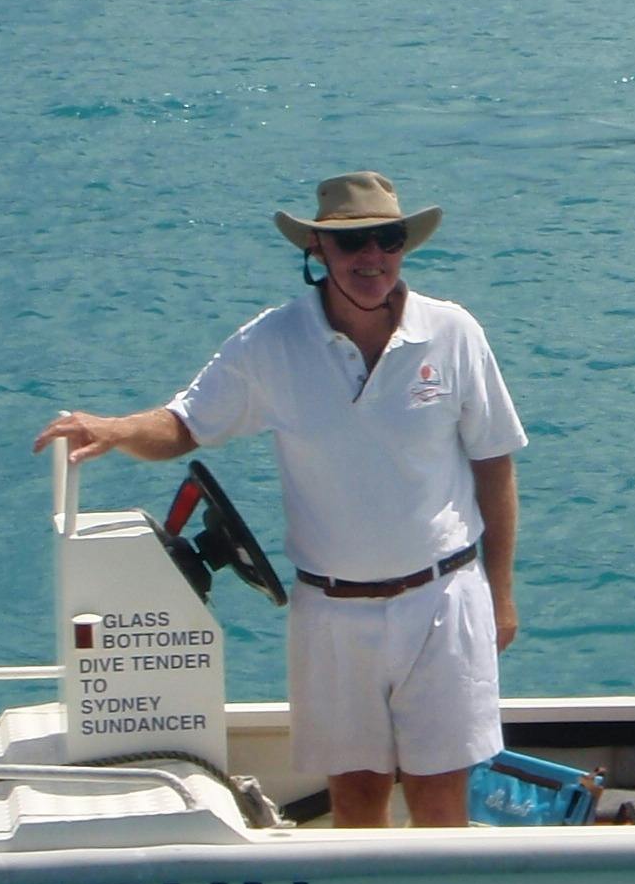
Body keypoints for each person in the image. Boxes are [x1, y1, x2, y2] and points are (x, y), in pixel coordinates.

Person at [32, 171, 523, 830]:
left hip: (445, 602)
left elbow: (495, 462)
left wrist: (500, 593)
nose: (372, 258)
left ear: (404, 245)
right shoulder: (271, 342)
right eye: (352, 244)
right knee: (355, 800)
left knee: (440, 803)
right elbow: (185, 424)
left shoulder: (454, 331)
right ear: (317, 251)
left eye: (387, 238)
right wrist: (115, 429)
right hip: (331, 611)